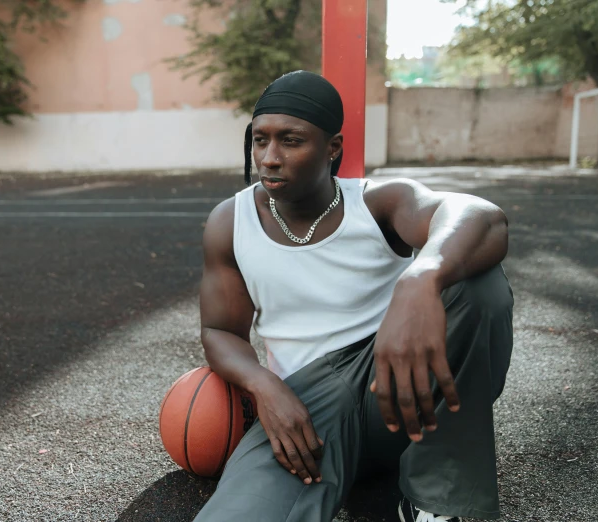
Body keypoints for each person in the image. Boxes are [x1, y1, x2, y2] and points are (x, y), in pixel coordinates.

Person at [194, 70, 514, 522]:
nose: (270, 158)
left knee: (476, 281)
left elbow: (483, 216)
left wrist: (421, 277)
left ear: (333, 149)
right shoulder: (231, 222)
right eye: (260, 140)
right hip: (306, 412)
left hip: (397, 393)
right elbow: (219, 331)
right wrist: (264, 386)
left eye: (290, 140)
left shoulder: (376, 203)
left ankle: (435, 502)